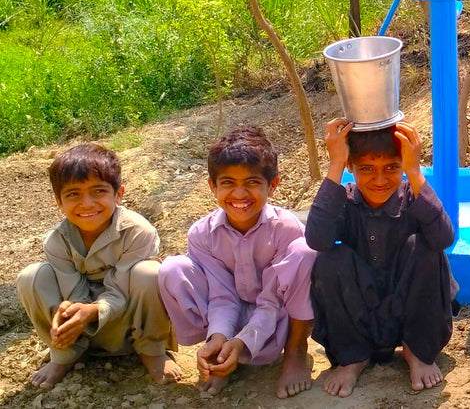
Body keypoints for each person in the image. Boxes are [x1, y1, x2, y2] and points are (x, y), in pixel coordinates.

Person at [157, 127, 315, 398]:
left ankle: (296, 351)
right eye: (228, 182)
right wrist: (219, 337)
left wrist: (243, 342)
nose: (239, 194)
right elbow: (222, 297)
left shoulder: (285, 229)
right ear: (212, 186)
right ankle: (221, 357)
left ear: (272, 185)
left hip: (277, 315)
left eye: (252, 182)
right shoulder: (202, 234)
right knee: (172, 268)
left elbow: (271, 302)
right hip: (226, 314)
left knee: (305, 253)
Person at [305, 119, 457, 398]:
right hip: (360, 318)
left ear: (403, 165)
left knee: (425, 246)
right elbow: (316, 238)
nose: (379, 179)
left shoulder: (414, 197)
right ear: (351, 166)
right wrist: (336, 163)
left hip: (410, 316)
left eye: (391, 167)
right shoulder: (345, 202)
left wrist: (414, 170)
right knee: (329, 258)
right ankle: (353, 358)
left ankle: (417, 352)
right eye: (366, 169)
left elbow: (445, 238)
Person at [17, 143, 181, 390]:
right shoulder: (57, 240)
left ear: (119, 194)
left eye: (98, 191)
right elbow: (74, 293)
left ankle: (151, 349)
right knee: (31, 276)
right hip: (83, 327)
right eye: (73, 194)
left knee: (150, 273)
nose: (87, 203)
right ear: (58, 201)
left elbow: (120, 290)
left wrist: (92, 311)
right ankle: (65, 353)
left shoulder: (137, 231)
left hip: (126, 318)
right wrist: (70, 312)